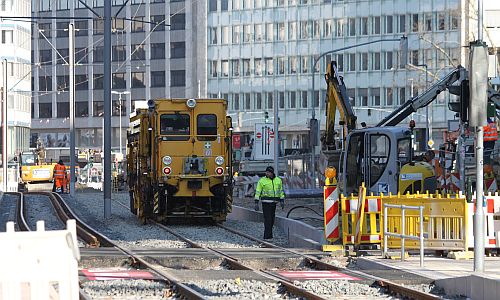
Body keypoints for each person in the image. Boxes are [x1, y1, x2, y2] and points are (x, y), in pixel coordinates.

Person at [254, 166, 285, 240]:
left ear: (272, 173)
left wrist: (282, 200)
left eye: (268, 172)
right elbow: (258, 192)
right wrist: (256, 202)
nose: (267, 173)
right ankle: (267, 236)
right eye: (266, 172)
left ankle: (269, 235)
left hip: (274, 202)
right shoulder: (262, 181)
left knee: (272, 219)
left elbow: (280, 191)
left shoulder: (278, 180)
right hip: (265, 202)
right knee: (268, 219)